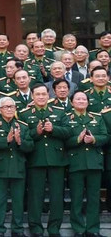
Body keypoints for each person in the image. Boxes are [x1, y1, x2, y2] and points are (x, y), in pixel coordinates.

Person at [17, 83, 69, 237]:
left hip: (56, 159)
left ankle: (54, 228)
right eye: (37, 94)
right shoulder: (24, 114)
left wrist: (54, 129)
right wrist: (36, 132)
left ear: (49, 95)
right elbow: (24, 137)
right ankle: (36, 227)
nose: (40, 97)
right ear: (32, 96)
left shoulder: (60, 112)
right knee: (35, 196)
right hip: (36, 159)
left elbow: (68, 132)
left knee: (57, 196)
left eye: (43, 94)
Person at [0, 96, 33, 237]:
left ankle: (17, 229)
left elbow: (31, 146)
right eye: (6, 107)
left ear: (15, 109)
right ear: (0, 110)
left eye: (11, 107)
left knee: (18, 202)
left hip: (18, 168)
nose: (9, 109)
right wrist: (5, 141)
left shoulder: (23, 126)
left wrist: (20, 142)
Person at [65, 91, 108, 237]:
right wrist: (77, 139)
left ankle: (93, 229)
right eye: (78, 99)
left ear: (88, 102)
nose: (81, 101)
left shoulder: (97, 117)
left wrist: (94, 139)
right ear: (72, 102)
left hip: (94, 163)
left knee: (94, 199)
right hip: (75, 163)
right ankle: (78, 228)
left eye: (84, 99)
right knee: (76, 198)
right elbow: (63, 139)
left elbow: (106, 136)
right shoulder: (66, 118)